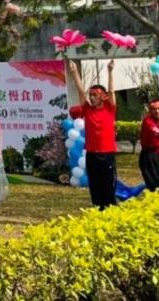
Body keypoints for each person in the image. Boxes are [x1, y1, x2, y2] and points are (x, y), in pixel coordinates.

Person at [67, 59, 117, 209]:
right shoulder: (88, 110)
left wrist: (110, 72)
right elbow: (80, 91)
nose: (92, 97)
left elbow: (112, 91)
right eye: (91, 95)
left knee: (108, 183)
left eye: (95, 95)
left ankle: (109, 208)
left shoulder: (110, 109)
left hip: (107, 153)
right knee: (94, 183)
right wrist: (74, 72)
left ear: (103, 96)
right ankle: (97, 208)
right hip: (92, 154)